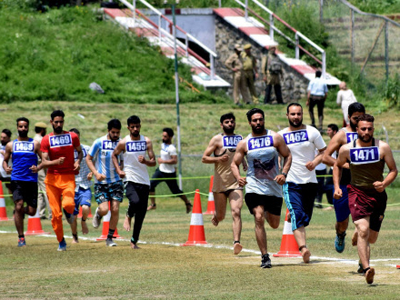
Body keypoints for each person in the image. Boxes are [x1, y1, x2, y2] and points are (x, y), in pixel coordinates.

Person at [333, 114, 397, 284]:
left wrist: (384, 183)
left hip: (378, 195)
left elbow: (393, 170)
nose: (366, 132)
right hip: (357, 193)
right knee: (363, 229)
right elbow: (337, 166)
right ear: (357, 129)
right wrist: (337, 187)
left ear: (373, 130)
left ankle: (359, 232)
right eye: (363, 128)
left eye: (369, 129)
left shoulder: (383, 147)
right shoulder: (346, 149)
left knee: (372, 237)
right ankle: (367, 269)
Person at [232, 108, 291, 267]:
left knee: (274, 224)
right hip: (253, 187)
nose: (258, 122)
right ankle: (265, 257)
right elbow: (234, 163)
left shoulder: (275, 137)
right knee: (258, 217)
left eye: (260, 119)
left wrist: (284, 174)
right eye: (254, 120)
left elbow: (288, 155)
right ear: (250, 122)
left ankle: (265, 210)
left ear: (263, 120)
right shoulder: (245, 143)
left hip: (273, 187)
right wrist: (238, 177)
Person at [278, 103, 326, 263]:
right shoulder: (280, 135)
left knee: (306, 217)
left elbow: (324, 151)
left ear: (302, 114)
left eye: (298, 114)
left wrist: (315, 162)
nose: (296, 117)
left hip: (310, 182)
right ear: (287, 116)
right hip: (291, 182)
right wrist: (280, 172)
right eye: (292, 114)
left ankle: (302, 242)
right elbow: (276, 155)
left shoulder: (312, 132)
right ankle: (303, 248)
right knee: (296, 214)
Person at [322, 102, 365, 255]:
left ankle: (363, 263)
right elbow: (325, 157)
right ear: (348, 118)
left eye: (361, 117)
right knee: (342, 223)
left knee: (363, 223)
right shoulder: (342, 134)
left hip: (361, 184)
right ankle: (340, 234)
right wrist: (343, 165)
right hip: (343, 184)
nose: (358, 121)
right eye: (355, 118)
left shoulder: (367, 133)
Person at [202, 112, 247, 255]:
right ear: (222, 125)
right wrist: (218, 159)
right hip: (220, 184)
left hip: (235, 183)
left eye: (232, 121)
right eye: (227, 122)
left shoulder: (240, 138)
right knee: (221, 216)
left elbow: (241, 153)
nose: (230, 124)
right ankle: (216, 216)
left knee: (236, 212)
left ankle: (236, 242)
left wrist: (244, 163)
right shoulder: (217, 139)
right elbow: (204, 158)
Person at [40, 110, 82, 251]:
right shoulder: (46, 139)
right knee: (55, 215)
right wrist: (56, 162)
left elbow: (80, 151)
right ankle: (61, 241)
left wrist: (78, 161)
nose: (58, 124)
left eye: (61, 122)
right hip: (52, 179)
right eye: (56, 122)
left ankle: (69, 213)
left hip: (68, 176)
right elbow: (44, 161)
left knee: (69, 204)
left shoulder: (72, 136)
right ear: (51, 122)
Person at [112, 115, 156, 249]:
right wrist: (119, 170)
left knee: (142, 214)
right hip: (129, 178)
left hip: (144, 180)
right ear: (128, 128)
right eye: (133, 127)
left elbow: (153, 162)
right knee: (135, 201)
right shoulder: (123, 142)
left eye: (137, 126)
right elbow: (114, 154)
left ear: (140, 126)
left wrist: (146, 161)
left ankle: (133, 240)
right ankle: (128, 214)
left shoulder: (146, 141)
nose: (135, 129)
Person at [2, 118, 42, 247]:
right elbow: (5, 160)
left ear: (28, 128)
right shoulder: (11, 145)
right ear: (17, 128)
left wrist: (38, 167)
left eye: (25, 127)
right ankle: (21, 237)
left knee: (31, 211)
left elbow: (44, 159)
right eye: (21, 127)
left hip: (31, 180)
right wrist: (6, 168)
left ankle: (18, 212)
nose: (23, 129)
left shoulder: (35, 144)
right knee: (18, 205)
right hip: (17, 179)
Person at [86, 119, 123, 247]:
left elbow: (122, 160)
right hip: (101, 183)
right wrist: (96, 173)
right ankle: (98, 213)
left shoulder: (121, 143)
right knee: (105, 209)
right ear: (108, 131)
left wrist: (122, 171)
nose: (115, 135)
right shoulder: (99, 142)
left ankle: (109, 238)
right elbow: (88, 158)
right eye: (113, 132)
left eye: (118, 133)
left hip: (116, 182)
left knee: (115, 209)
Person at [147, 128, 192, 213]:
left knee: (176, 191)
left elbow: (175, 160)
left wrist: (163, 161)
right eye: (163, 136)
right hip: (160, 171)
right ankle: (153, 204)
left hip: (169, 173)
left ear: (170, 137)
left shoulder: (172, 148)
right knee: (150, 185)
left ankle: (187, 202)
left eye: (165, 136)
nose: (163, 138)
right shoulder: (163, 145)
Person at [68, 128, 93, 243]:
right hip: (71, 186)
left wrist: (91, 173)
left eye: (76, 138)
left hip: (84, 184)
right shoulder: (65, 150)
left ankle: (83, 221)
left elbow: (94, 162)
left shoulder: (87, 149)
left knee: (86, 207)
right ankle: (74, 237)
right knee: (72, 215)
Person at [314, 123, 338, 209]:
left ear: (334, 131)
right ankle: (331, 203)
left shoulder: (337, 141)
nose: (327, 132)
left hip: (335, 167)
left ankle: (332, 204)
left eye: (329, 130)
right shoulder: (333, 140)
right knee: (327, 186)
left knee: (328, 186)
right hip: (332, 167)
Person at [34, 122, 51, 220]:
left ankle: (40, 212)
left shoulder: (34, 139)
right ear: (42, 130)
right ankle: (52, 213)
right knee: (46, 189)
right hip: (42, 165)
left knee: (40, 191)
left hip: (37, 166)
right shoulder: (42, 140)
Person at [0, 129, 12, 198]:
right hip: (1, 172)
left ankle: (17, 207)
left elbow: (12, 157)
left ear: (9, 138)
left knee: (11, 191)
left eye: (4, 138)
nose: (2, 139)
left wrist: (4, 153)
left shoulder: (11, 146)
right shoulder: (1, 146)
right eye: (1, 137)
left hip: (8, 172)